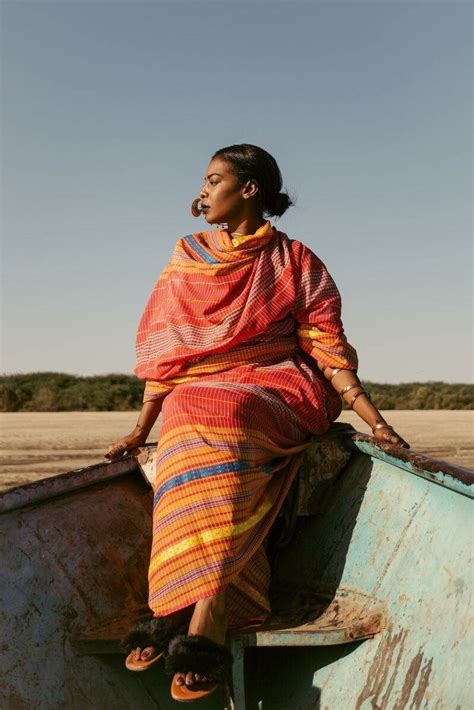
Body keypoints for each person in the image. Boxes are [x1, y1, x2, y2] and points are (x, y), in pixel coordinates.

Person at [106, 143, 409, 701]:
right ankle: (192, 603)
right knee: (191, 408)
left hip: (279, 384)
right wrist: (139, 429)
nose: (201, 192)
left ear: (249, 190)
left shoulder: (295, 260)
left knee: (226, 407)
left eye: (214, 179)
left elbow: (326, 344)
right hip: (201, 390)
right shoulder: (187, 257)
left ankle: (195, 619)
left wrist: (374, 418)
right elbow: (167, 353)